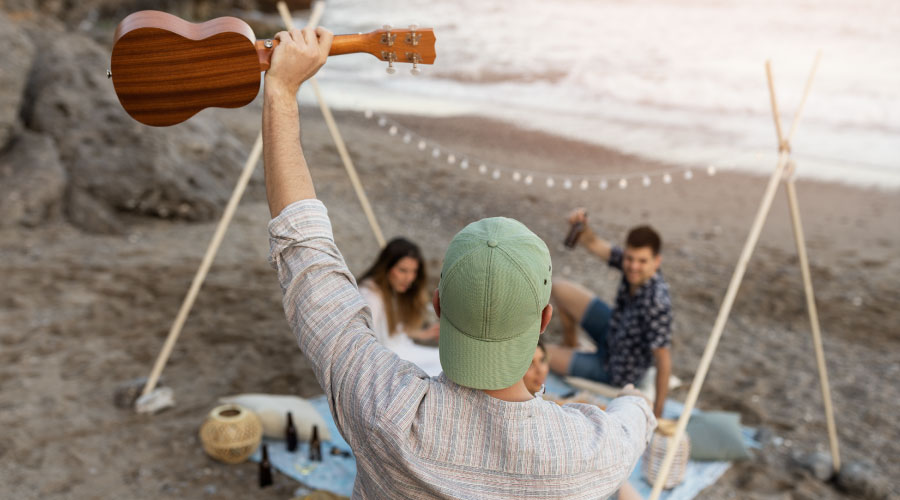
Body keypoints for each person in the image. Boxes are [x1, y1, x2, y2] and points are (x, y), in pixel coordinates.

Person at [262, 27, 655, 498]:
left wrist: (282, 92)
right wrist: (636, 404)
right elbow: (632, 422)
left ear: (438, 305)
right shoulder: (584, 453)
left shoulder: (383, 407)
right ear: (545, 318)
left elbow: (305, 252)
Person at [547, 208, 673, 418]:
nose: (633, 266)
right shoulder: (631, 266)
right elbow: (593, 243)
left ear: (656, 261)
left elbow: (664, 360)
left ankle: (571, 355)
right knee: (559, 288)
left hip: (615, 368)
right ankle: (570, 343)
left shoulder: (657, 302)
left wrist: (657, 414)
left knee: (538, 356)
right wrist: (582, 227)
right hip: (612, 329)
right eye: (630, 258)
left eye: (642, 261)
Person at [357, 237, 442, 376]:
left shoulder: (389, 290)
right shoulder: (369, 296)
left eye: (414, 271)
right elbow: (369, 342)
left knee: (448, 361)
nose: (409, 278)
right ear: (386, 267)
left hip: (403, 352)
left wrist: (422, 334)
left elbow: (391, 330)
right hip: (389, 362)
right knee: (445, 368)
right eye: (403, 270)